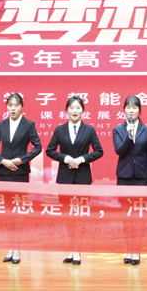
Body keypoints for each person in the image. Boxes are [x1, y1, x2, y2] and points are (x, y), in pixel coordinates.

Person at [46, 95, 104, 266]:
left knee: (79, 215)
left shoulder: (89, 130)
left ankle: (77, 250)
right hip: (65, 177)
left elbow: (99, 151)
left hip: (82, 177)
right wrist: (65, 158)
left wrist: (81, 159)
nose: (75, 111)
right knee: (67, 215)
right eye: (71, 108)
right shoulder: (59, 130)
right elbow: (50, 150)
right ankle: (72, 249)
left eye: (78, 108)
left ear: (83, 110)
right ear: (66, 110)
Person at [0, 92, 42, 264]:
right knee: (6, 213)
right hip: (3, 173)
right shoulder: (1, 124)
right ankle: (10, 247)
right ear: (7, 107)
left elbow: (38, 147)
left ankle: (17, 248)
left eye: (16, 105)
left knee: (18, 212)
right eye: (10, 105)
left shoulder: (29, 125)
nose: (13, 108)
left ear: (22, 107)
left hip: (20, 173)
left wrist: (21, 160)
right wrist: (1, 160)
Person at [113, 95, 147, 266]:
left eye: (134, 107)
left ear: (139, 110)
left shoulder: (146, 130)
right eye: (128, 107)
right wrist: (128, 135)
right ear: (124, 110)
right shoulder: (118, 129)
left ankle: (136, 250)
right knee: (126, 215)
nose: (131, 110)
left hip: (142, 177)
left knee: (139, 215)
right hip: (124, 177)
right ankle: (128, 249)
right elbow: (119, 150)